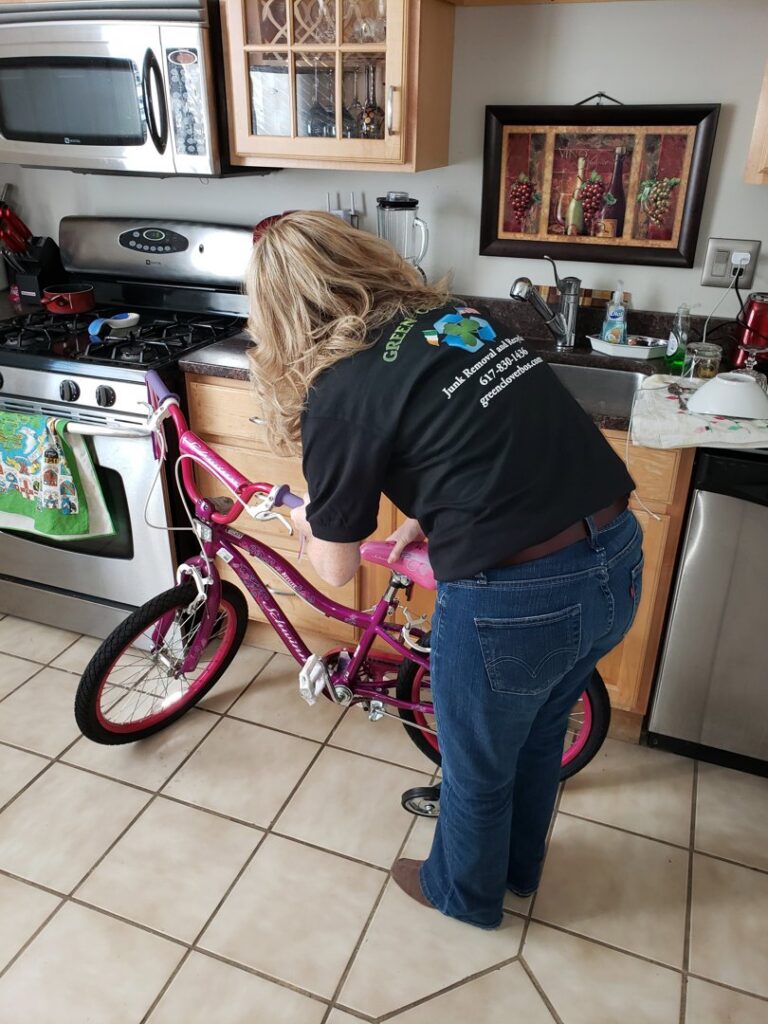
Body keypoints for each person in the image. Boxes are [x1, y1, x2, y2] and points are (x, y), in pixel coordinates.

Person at [246, 210, 643, 930]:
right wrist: (430, 513)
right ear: (363, 257)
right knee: (538, 735)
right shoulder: (450, 319)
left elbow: (335, 566)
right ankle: (519, 870)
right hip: (614, 560)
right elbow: (485, 432)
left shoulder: (339, 390)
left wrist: (303, 519)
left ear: (275, 313)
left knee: (477, 766)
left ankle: (463, 896)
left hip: (521, 599)